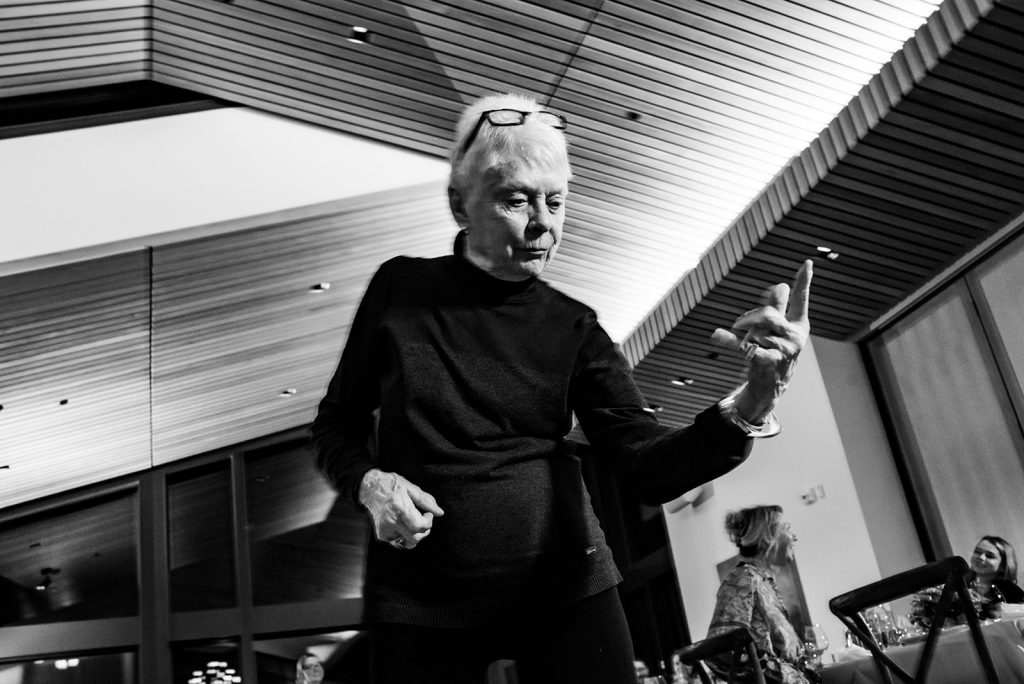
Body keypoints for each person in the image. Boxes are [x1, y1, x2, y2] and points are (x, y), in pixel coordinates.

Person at [311, 91, 813, 684]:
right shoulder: (400, 292)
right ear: (459, 205)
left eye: (556, 200)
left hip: (566, 585)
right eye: (516, 199)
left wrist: (754, 400)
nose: (543, 222)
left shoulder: (575, 327)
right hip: (421, 597)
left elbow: (645, 463)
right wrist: (371, 483)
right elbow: (335, 426)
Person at [706, 505, 819, 684]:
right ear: (768, 536)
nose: (794, 536)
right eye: (787, 528)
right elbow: (719, 651)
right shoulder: (743, 578)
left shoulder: (763, 581)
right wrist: (789, 677)